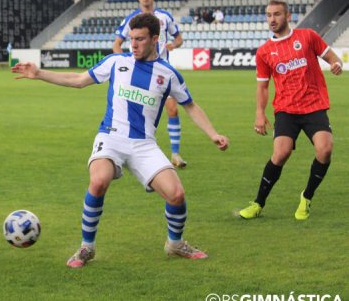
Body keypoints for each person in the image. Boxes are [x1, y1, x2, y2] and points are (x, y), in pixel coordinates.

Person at [12, 13, 229, 268]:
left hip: (144, 145)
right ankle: (86, 248)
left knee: (177, 194)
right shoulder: (116, 62)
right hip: (111, 137)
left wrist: (213, 134)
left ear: (155, 40)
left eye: (139, 39)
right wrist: (39, 73)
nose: (133, 45)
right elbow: (79, 80)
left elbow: (190, 106)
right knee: (99, 180)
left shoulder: (167, 74)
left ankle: (175, 244)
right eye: (131, 39)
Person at [239, 0, 343, 220]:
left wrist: (336, 65)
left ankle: (306, 196)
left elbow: (332, 57)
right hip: (286, 109)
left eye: (276, 14)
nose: (272, 19)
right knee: (280, 153)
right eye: (268, 15)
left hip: (314, 106)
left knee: (325, 149)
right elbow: (263, 86)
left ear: (288, 16)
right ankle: (258, 203)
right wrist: (259, 113)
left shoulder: (307, 37)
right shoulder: (265, 52)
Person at [112, 0, 187, 168]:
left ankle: (175, 154)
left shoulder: (165, 17)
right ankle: (133, 152)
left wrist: (173, 44)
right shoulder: (132, 20)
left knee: (173, 109)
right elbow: (116, 44)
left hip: (161, 73)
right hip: (139, 73)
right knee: (139, 114)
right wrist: (125, 64)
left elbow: (179, 39)